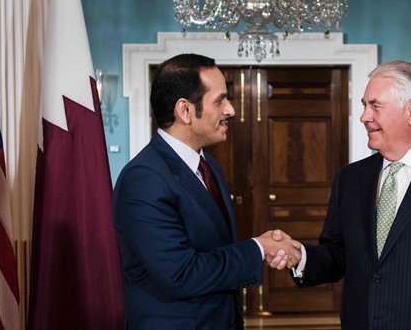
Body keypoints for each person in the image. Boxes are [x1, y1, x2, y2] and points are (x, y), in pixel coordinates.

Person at [268, 60, 411, 329]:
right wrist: (299, 255)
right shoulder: (350, 178)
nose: (364, 116)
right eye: (364, 105)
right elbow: (337, 255)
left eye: (374, 105)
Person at [113, 53, 301, 329]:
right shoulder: (143, 179)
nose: (230, 110)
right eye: (220, 100)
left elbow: (214, 249)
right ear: (185, 110)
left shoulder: (209, 165)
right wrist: (259, 248)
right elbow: (181, 273)